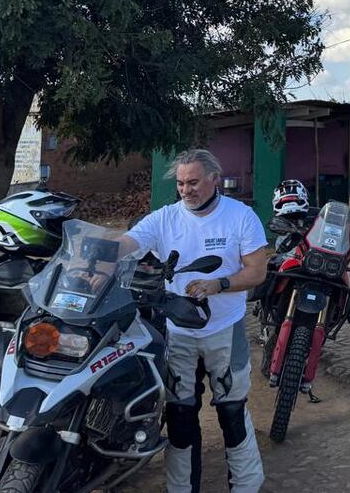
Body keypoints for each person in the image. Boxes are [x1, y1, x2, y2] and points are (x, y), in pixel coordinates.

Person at [125, 149, 268, 493]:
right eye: (180, 183)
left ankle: (246, 485)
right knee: (180, 413)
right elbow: (128, 242)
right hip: (178, 331)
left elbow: (257, 271)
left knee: (231, 410)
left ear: (214, 179)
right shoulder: (165, 218)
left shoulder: (241, 217)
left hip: (224, 328)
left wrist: (219, 284)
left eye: (192, 182)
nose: (185, 190)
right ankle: (182, 488)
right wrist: (95, 253)